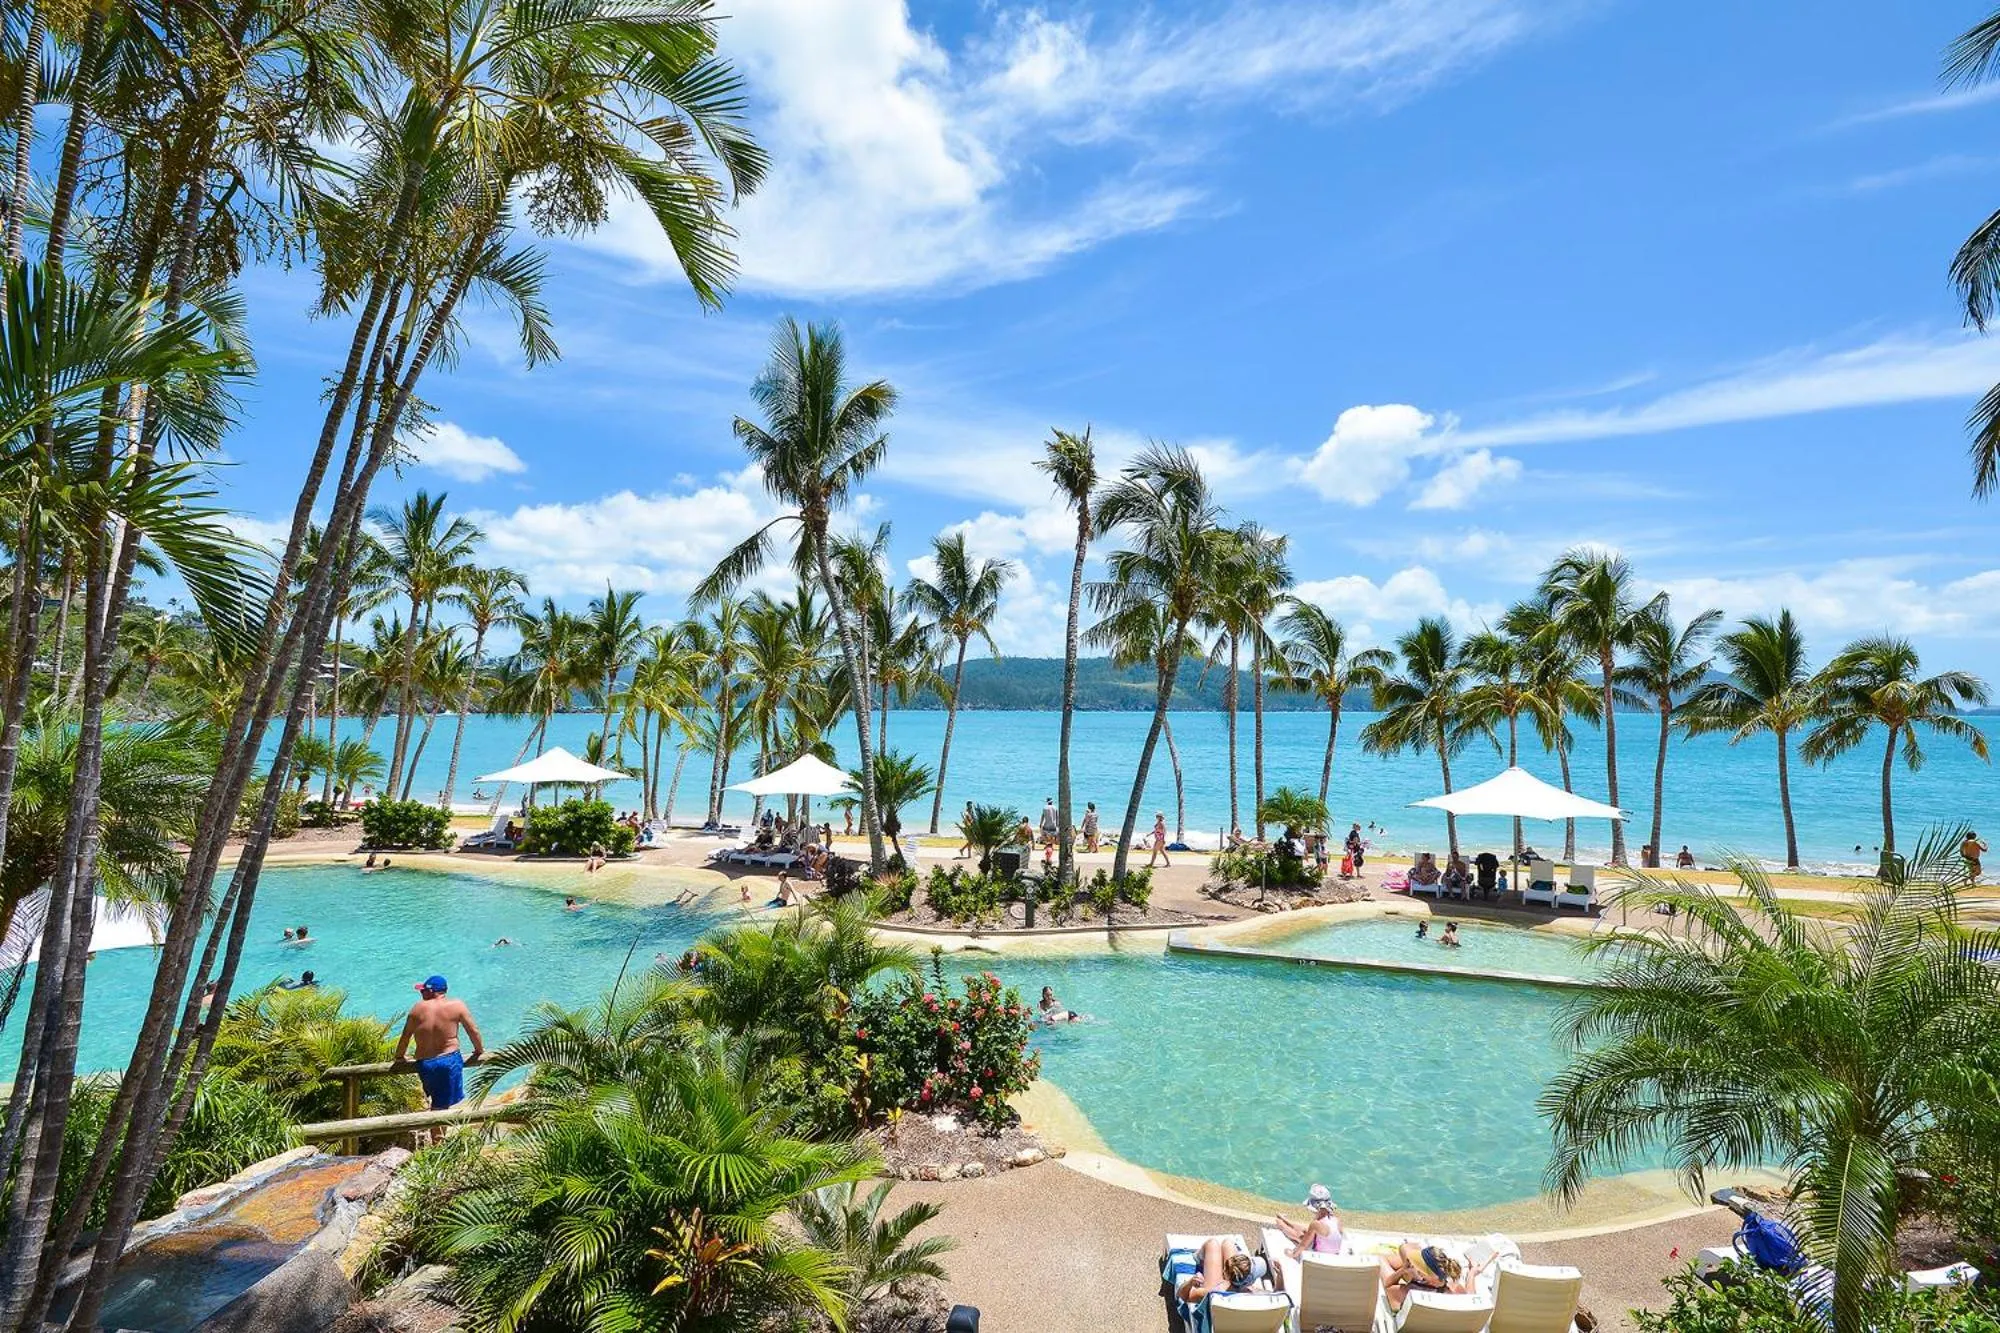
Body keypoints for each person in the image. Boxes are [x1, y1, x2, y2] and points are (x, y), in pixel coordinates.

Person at [394, 975, 484, 1114]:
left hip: (425, 1064)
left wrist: (399, 1056)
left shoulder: (417, 1009)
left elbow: (405, 1037)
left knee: (438, 1103)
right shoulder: (456, 1006)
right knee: (440, 1108)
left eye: (423, 991)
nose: (421, 993)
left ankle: (438, 1134)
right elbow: (473, 1031)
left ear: (432, 991)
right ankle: (438, 1136)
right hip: (449, 1060)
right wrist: (479, 1050)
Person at [1379, 1243, 1476, 1311]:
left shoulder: (1407, 1293)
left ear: (1425, 1274)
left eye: (1419, 1268)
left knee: (1383, 1258)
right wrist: (1472, 1273)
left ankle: (1419, 1252)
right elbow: (1473, 1302)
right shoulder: (1455, 1289)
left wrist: (1402, 1270)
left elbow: (1388, 1286)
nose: (1415, 1267)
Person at [1176, 1240, 1266, 1307]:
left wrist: (1190, 1282)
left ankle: (1200, 1257)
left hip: (1220, 1292)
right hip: (1233, 1317)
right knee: (1228, 1244)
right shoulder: (1257, 1295)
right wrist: (1280, 1277)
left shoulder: (1214, 1293)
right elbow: (1279, 1295)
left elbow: (1183, 1295)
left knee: (1212, 1244)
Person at [1274, 1184, 1343, 1259]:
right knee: (1304, 1230)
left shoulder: (1316, 1224)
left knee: (1296, 1233)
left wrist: (1293, 1254)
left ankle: (1281, 1221)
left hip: (1318, 1253)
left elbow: (1303, 1245)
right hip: (1331, 1251)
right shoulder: (1337, 1220)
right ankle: (1284, 1219)